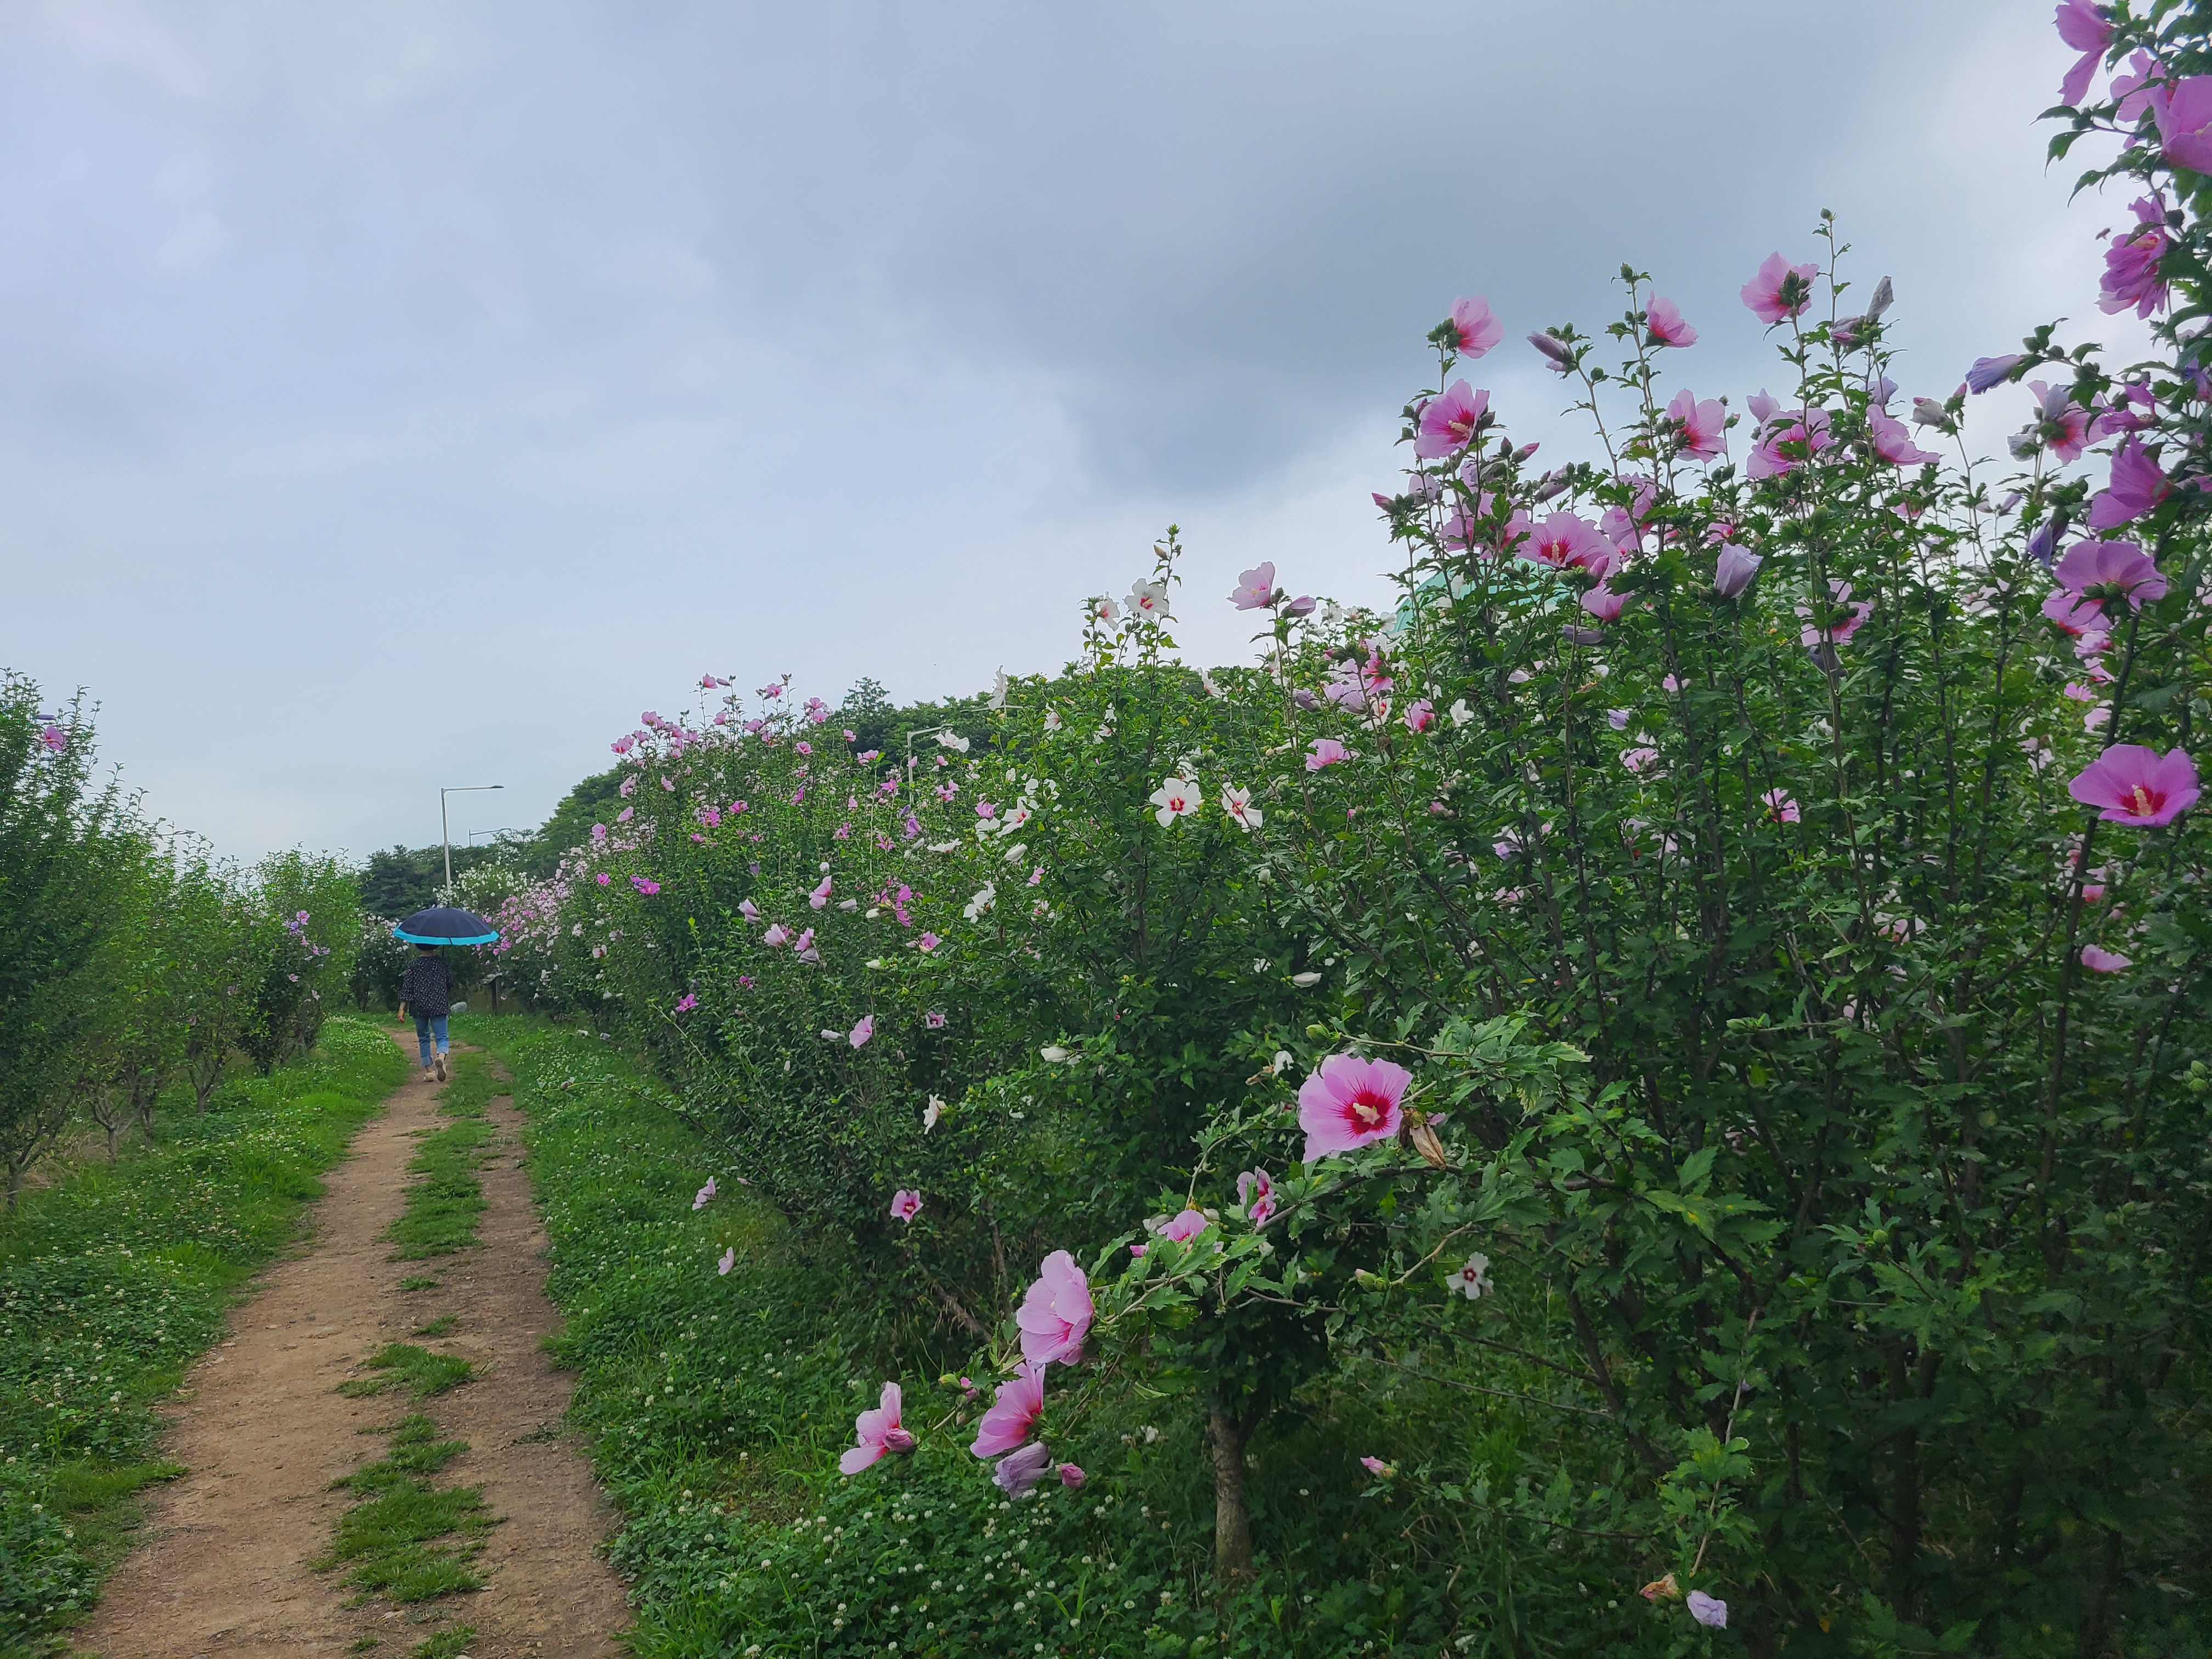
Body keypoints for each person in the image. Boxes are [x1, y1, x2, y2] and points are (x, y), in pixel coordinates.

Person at [396, 943, 453, 1082]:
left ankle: (429, 1071)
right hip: (438, 1004)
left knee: (423, 1038)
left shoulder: (414, 964)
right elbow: (450, 984)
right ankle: (441, 1057)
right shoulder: (442, 963)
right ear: (435, 945)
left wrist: (402, 1008)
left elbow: (407, 987)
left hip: (419, 1006)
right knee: (442, 1037)